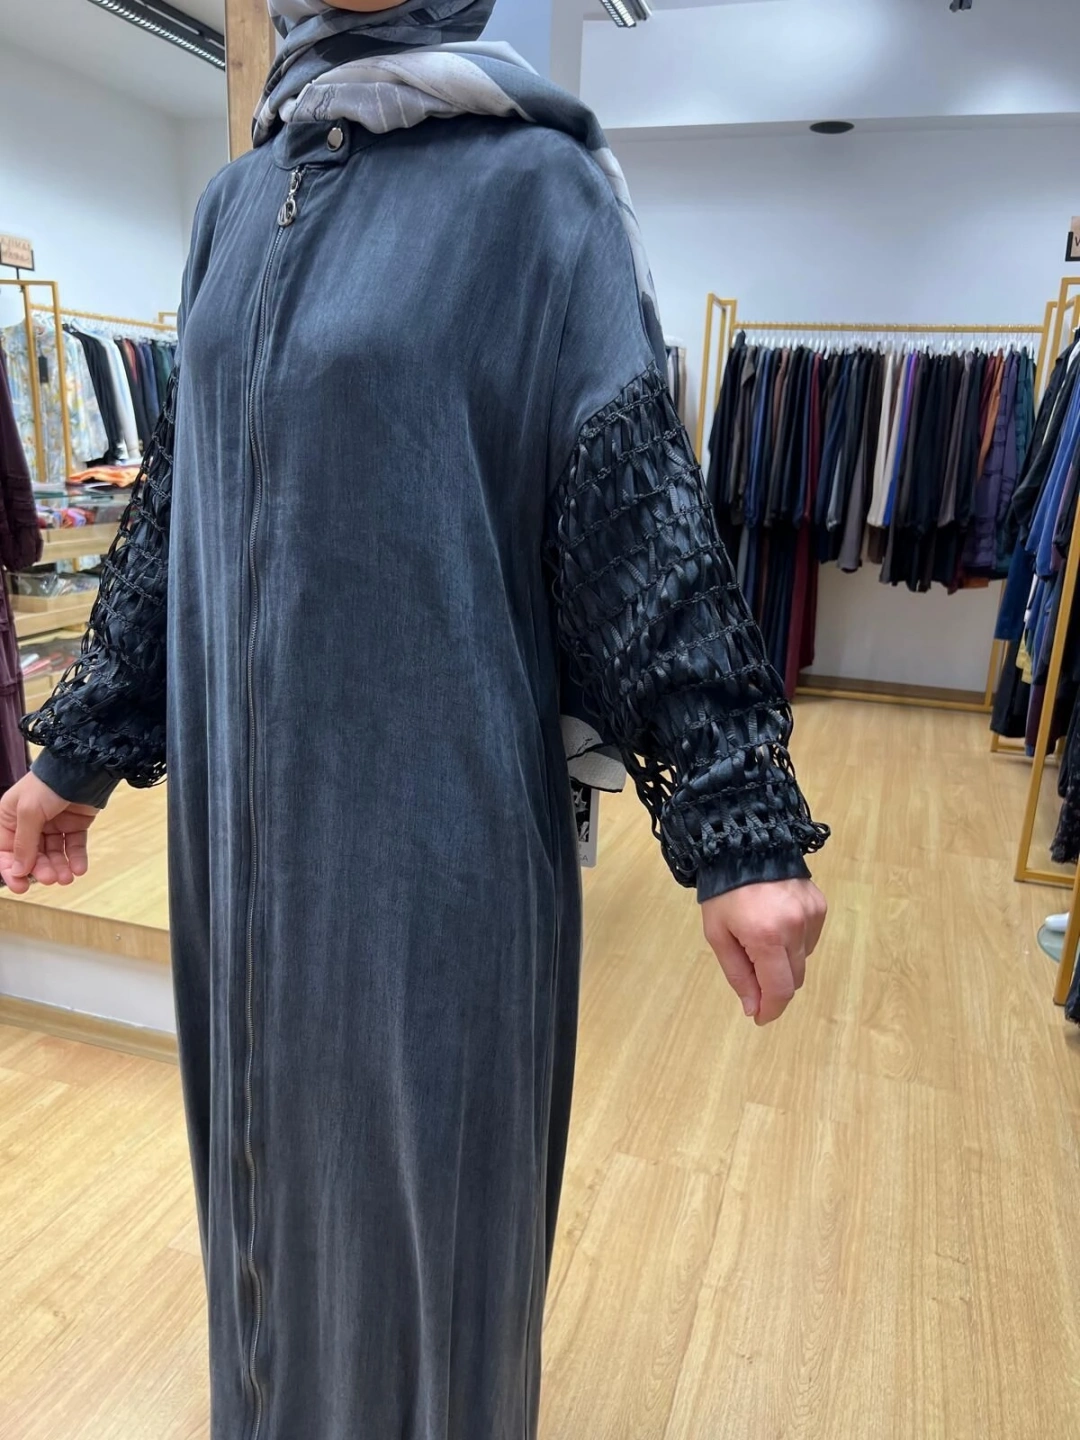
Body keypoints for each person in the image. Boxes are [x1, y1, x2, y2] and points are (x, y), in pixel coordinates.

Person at [0, 2, 828, 1436]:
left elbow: (631, 511)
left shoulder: (537, 191)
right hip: (239, 854)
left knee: (432, 1238)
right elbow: (178, 503)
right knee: (259, 1204)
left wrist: (737, 821)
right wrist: (73, 759)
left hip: (432, 833)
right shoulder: (232, 204)